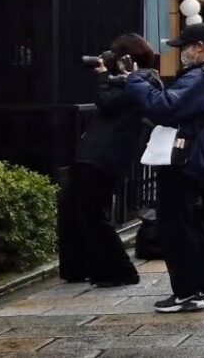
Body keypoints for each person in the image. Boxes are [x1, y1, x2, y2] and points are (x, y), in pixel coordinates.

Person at [122, 23, 204, 313]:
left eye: (184, 47)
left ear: (199, 47)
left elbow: (165, 107)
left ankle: (187, 291)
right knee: (198, 224)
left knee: (177, 227)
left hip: (183, 159)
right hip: (202, 159)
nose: (181, 53)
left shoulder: (200, 78)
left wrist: (136, 80)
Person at [59, 34, 155, 287]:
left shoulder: (142, 82)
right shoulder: (128, 81)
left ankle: (119, 271)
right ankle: (78, 267)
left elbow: (107, 103)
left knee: (91, 213)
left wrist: (103, 78)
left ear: (127, 59)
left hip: (105, 156)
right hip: (95, 153)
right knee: (72, 210)